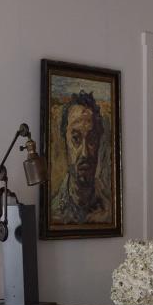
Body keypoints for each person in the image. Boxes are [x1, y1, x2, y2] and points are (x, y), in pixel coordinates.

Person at [50, 91, 113, 225]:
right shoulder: (53, 211)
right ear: (65, 143)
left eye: (91, 140)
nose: (84, 153)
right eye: (76, 139)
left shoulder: (109, 208)